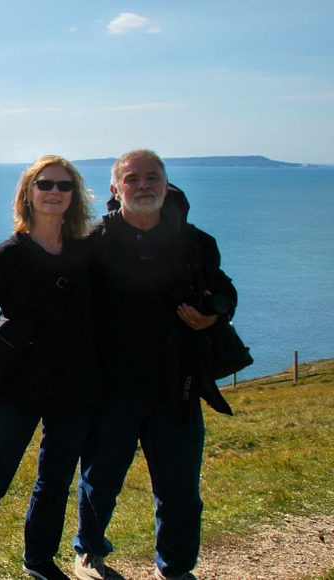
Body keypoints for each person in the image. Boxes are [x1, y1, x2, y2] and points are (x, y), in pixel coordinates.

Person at [72, 149, 236, 580]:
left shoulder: (197, 243)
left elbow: (225, 290)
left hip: (176, 385)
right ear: (115, 189)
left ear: (167, 184)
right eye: (132, 179)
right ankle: (88, 553)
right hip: (111, 388)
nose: (143, 185)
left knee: (180, 488)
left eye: (151, 177)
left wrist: (215, 314)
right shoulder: (93, 242)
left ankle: (176, 567)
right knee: (98, 481)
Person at [0, 155, 100, 580]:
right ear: (27, 194)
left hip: (74, 387)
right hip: (16, 388)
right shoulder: (7, 256)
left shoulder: (87, 252)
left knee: (54, 483)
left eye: (64, 186)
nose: (54, 192)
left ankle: (39, 562)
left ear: (73, 196)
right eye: (44, 184)